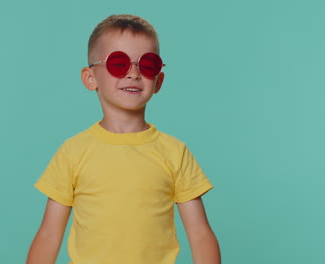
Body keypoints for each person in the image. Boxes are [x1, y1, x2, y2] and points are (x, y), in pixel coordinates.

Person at [26, 14, 221, 264]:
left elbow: (200, 235)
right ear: (90, 78)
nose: (133, 74)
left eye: (147, 64)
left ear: (158, 80)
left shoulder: (175, 152)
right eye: (118, 63)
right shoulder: (73, 152)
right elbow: (49, 236)